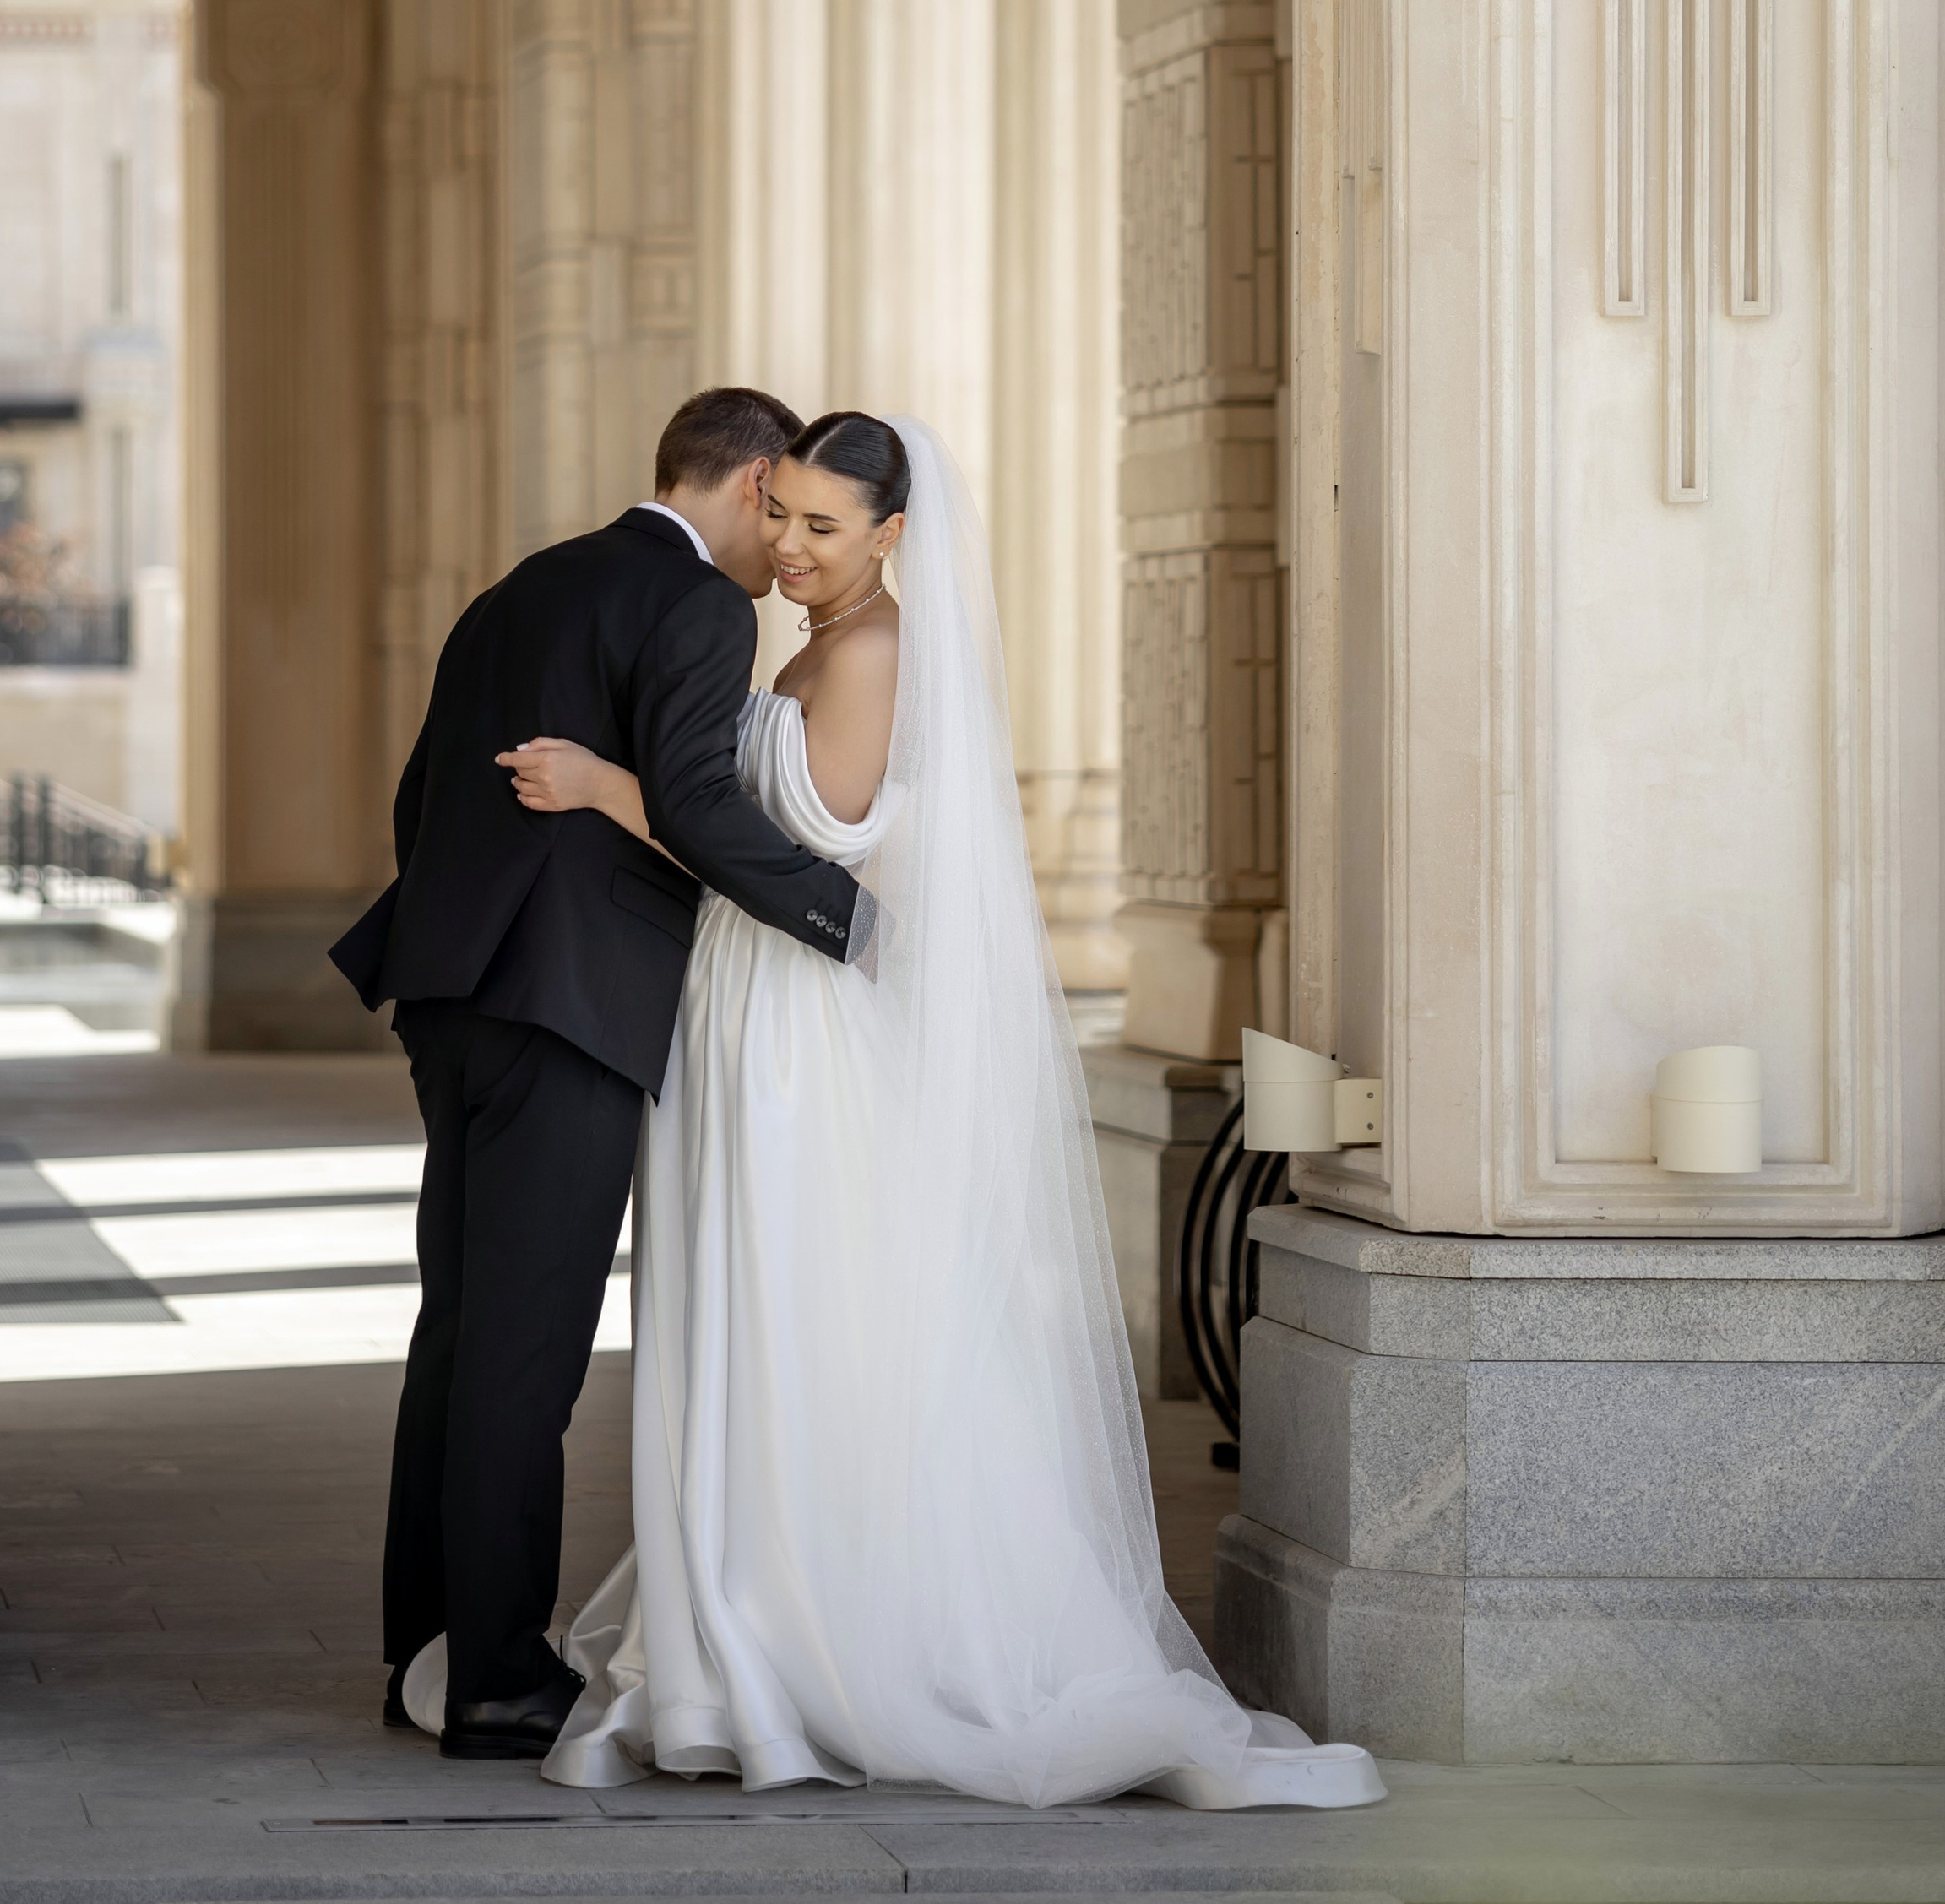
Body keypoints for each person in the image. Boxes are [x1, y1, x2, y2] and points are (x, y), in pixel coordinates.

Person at [401, 413, 1383, 1812]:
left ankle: (811, 1636)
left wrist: (612, 788)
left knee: (797, 1317)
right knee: (736, 1323)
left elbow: (793, 850)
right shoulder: (798, 645)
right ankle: (734, 1614)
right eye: (784, 515)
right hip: (733, 1014)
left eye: (823, 527)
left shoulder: (870, 655)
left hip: (794, 1029)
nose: (792, 548)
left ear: (892, 535)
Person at [327, 387, 874, 1764]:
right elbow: (691, 800)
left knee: (459, 1330)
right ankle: (503, 1679)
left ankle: (429, 1645)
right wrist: (849, 921)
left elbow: (418, 796)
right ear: (751, 483)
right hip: (566, 1007)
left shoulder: (519, 589)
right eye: (787, 507)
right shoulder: (698, 608)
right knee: (525, 1350)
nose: (787, 546)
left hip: (451, 993)